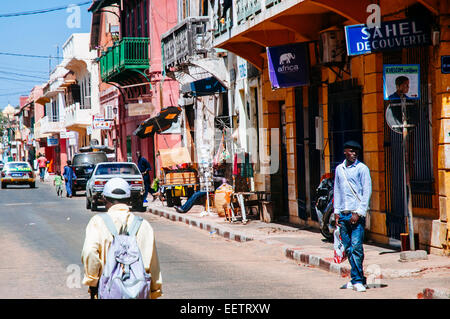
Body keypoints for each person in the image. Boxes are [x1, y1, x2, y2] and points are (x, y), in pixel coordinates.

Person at [81, 177, 162, 299]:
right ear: (129, 199)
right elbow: (153, 263)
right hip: (139, 292)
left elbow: (89, 253)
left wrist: (93, 282)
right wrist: (155, 291)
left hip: (108, 290)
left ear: (104, 199)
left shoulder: (97, 222)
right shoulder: (144, 225)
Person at [334, 140, 372, 292]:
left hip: (356, 215)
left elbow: (367, 192)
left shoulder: (362, 169)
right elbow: (337, 191)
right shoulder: (339, 169)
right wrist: (336, 213)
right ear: (345, 152)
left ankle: (357, 280)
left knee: (357, 247)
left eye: (356, 151)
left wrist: (359, 212)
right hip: (343, 215)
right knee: (348, 249)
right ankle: (357, 278)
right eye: (351, 150)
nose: (354, 153)